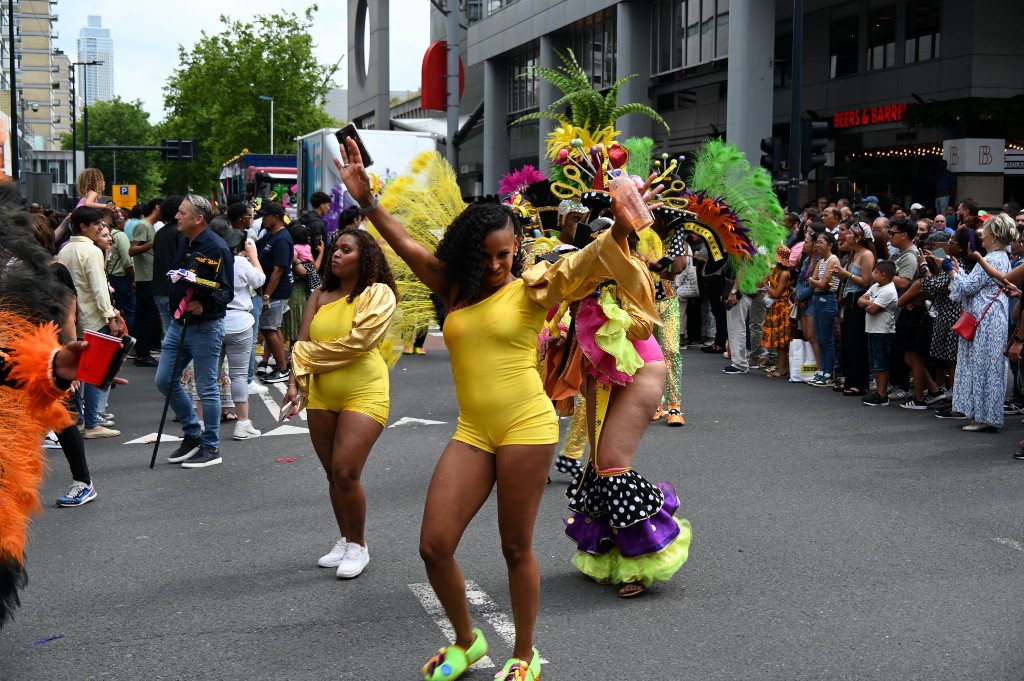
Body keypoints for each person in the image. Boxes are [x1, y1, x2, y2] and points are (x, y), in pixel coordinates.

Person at [335, 141, 683, 681]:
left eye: (506, 254)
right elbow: (404, 245)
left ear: (516, 248)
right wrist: (369, 203)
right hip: (474, 430)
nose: (498, 265)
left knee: (515, 546)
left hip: (527, 427)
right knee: (433, 545)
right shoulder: (452, 288)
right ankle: (467, 642)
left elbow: (586, 264)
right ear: (469, 252)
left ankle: (525, 655)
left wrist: (620, 227)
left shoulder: (532, 290)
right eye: (488, 256)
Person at [283, 229, 398, 579]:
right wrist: (293, 384)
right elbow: (300, 343)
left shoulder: (378, 294)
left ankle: (359, 546)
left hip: (364, 390)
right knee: (333, 473)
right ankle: (346, 538)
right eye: (335, 248)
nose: (335, 254)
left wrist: (305, 356)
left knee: (347, 470)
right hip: (321, 394)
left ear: (364, 258)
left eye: (345, 250)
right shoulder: (320, 294)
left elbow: (358, 343)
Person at [154, 195, 234, 468]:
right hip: (178, 325)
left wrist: (206, 301)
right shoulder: (183, 241)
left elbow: (226, 292)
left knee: (206, 387)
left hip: (205, 328)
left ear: (198, 218)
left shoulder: (217, 248)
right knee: (164, 380)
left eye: (182, 212)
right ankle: (193, 433)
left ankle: (211, 447)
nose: (176, 216)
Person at [60, 207, 127, 438]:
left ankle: (78, 420)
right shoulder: (91, 251)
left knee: (74, 371)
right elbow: (99, 289)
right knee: (95, 372)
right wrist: (111, 316)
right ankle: (92, 423)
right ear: (83, 226)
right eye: (97, 223)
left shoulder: (66, 249)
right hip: (93, 317)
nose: (101, 227)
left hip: (71, 319)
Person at [949, 213, 1016, 431]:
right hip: (993, 318)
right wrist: (961, 273)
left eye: (984, 234)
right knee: (991, 368)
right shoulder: (1004, 257)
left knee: (981, 367)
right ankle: (987, 415)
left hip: (983, 320)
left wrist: (952, 273)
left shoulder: (989, 259)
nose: (981, 238)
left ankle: (982, 417)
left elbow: (968, 288)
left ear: (994, 236)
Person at [218, 227, 265, 440]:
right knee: (238, 374)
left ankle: (202, 423)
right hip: (240, 322)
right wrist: (254, 257)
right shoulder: (241, 262)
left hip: (215, 320)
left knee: (209, 375)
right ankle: (243, 423)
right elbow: (259, 280)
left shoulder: (211, 261)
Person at [833, 221, 877, 396]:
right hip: (849, 300)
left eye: (850, 233)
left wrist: (846, 274)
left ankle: (859, 382)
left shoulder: (866, 255)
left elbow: (866, 281)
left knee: (857, 342)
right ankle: (850, 378)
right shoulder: (853, 253)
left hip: (859, 299)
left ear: (859, 237)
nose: (846, 236)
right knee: (848, 342)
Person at [255, 202, 294, 384]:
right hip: (272, 291)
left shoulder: (282, 239)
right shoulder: (271, 236)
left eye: (265, 216)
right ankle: (281, 366)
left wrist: (267, 296)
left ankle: (283, 369)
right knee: (272, 328)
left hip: (276, 291)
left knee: (270, 329)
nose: (263, 219)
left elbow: (278, 270)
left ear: (275, 218)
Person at [859, 261, 899, 406]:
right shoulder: (876, 286)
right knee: (875, 362)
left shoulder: (889, 290)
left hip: (883, 331)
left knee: (881, 363)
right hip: (872, 329)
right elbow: (860, 300)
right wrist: (870, 303)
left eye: (875, 272)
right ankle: (878, 391)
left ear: (884, 275)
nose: (872, 274)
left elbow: (872, 309)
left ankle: (882, 394)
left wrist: (869, 303)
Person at [129, 198, 162, 366]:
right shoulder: (143, 225)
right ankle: (143, 354)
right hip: (146, 278)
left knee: (144, 316)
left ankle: (142, 352)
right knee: (147, 317)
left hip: (148, 277)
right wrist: (152, 244)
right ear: (157, 207)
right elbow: (132, 250)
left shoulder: (149, 226)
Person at [806, 231, 840, 387]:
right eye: (817, 242)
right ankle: (821, 370)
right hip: (818, 299)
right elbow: (812, 281)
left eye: (821, 242)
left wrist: (817, 281)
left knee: (827, 339)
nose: (817, 245)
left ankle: (829, 373)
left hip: (828, 299)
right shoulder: (821, 260)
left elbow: (822, 283)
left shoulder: (833, 260)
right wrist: (817, 281)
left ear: (830, 245)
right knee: (819, 338)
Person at [762, 245, 793, 378]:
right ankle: (781, 366)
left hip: (781, 308)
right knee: (778, 340)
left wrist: (765, 285)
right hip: (774, 308)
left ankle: (782, 368)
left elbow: (777, 293)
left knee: (782, 341)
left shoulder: (784, 274)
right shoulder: (773, 270)